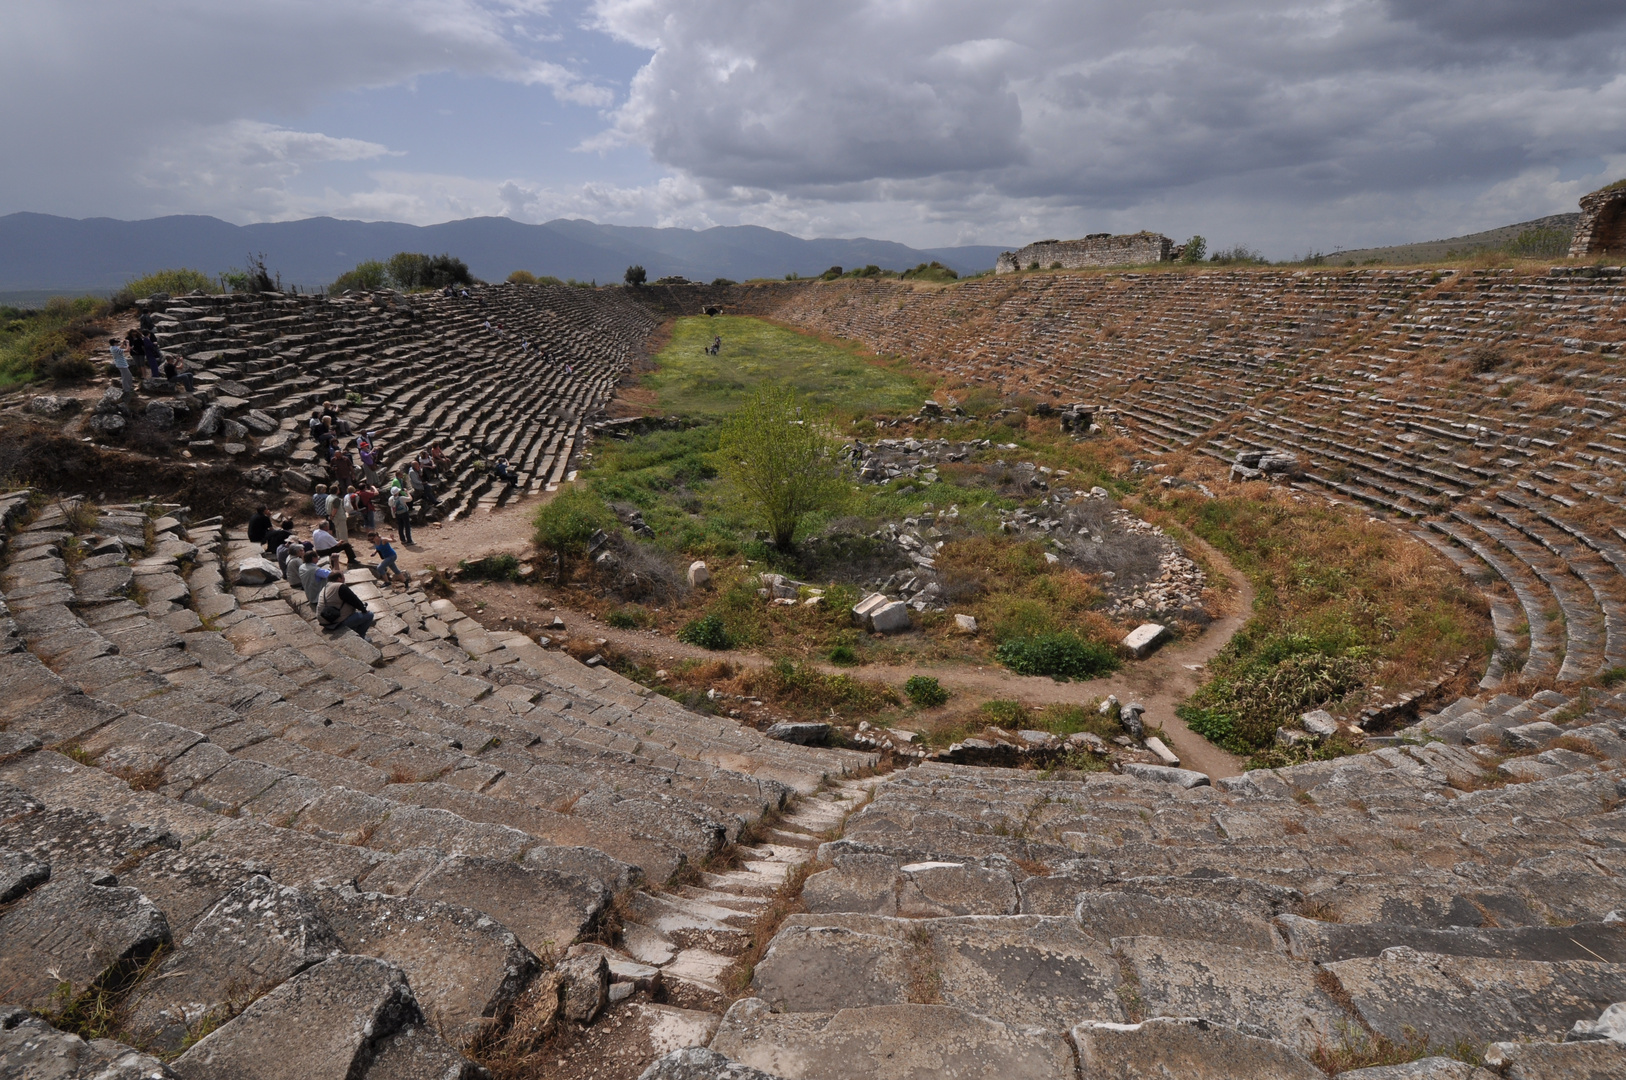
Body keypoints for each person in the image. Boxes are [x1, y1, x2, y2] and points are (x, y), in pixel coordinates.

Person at [317, 571, 374, 640]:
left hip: (324, 620)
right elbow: (355, 601)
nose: (344, 579)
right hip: (335, 623)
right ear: (339, 579)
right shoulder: (340, 587)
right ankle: (361, 637)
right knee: (369, 615)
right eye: (343, 577)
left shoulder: (325, 588)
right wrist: (364, 610)